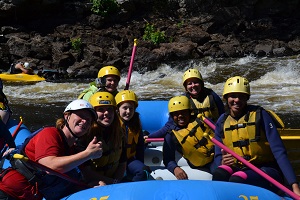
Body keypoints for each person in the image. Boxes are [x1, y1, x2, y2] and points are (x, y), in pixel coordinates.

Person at [212, 76, 300, 196]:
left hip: (266, 170)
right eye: (233, 96)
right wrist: (222, 162)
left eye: (241, 96)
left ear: (246, 98)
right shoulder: (222, 121)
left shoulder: (261, 115)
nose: (237, 100)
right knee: (219, 173)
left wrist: (294, 185)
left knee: (237, 179)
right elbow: (217, 155)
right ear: (226, 97)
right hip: (239, 167)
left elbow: (279, 151)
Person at [0, 99, 103, 200]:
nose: (85, 121)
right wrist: (88, 154)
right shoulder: (49, 134)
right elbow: (49, 167)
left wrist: (98, 185)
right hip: (8, 192)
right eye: (81, 115)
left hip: (30, 195)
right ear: (67, 116)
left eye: (89, 120)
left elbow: (82, 177)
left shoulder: (74, 151)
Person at [145, 68, 224, 139]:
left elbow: (223, 116)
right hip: (194, 135)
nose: (193, 86)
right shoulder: (183, 101)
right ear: (186, 87)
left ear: (201, 83)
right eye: (189, 83)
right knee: (169, 136)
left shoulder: (212, 96)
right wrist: (150, 136)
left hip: (214, 134)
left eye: (196, 82)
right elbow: (169, 125)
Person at [77, 91, 127, 185]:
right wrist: (111, 182)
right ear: (93, 113)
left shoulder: (120, 133)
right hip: (94, 183)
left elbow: (122, 163)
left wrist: (116, 181)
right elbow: (87, 173)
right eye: (101, 109)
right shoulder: (84, 136)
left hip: (115, 181)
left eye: (109, 109)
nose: (106, 113)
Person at [163, 96, 215, 180]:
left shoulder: (202, 120)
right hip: (197, 163)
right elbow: (168, 159)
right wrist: (175, 168)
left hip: (215, 158)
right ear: (172, 116)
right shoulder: (170, 135)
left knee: (219, 172)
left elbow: (221, 137)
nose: (180, 116)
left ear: (189, 112)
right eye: (176, 114)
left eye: (183, 112)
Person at [115, 90, 151, 182]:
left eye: (131, 108)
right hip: (115, 161)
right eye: (125, 108)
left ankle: (133, 189)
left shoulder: (136, 124)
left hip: (129, 160)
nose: (128, 111)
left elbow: (139, 147)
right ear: (118, 109)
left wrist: (140, 163)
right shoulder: (113, 124)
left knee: (144, 171)